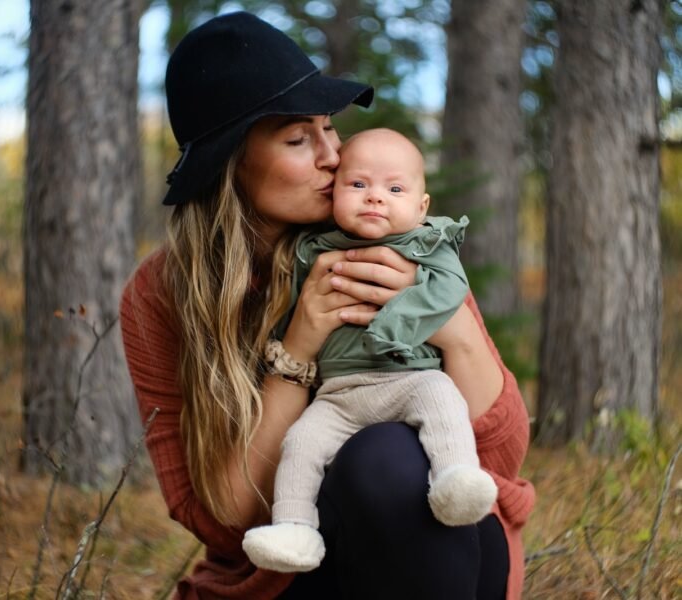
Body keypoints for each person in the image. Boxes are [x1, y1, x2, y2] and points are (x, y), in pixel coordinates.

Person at [119, 11, 535, 600]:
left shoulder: (395, 237)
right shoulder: (162, 294)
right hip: (290, 572)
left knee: (386, 457)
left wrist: (451, 326)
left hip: (446, 549)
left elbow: (501, 455)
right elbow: (222, 519)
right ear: (230, 167)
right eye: (298, 138)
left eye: (329, 128)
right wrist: (298, 347)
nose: (333, 156)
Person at [242, 128, 498, 574]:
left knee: (441, 395)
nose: (375, 198)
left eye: (394, 189)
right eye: (358, 185)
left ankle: (454, 478)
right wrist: (291, 342)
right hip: (339, 393)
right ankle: (294, 527)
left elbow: (451, 291)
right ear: (334, 192)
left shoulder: (426, 244)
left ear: (422, 207)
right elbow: (286, 308)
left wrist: (398, 317)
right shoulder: (314, 248)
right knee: (301, 441)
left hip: (408, 380)